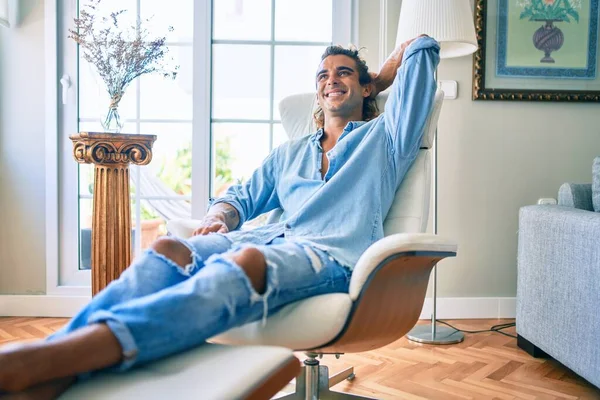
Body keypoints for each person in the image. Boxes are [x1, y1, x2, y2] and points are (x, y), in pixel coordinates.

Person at [0, 35, 439, 399]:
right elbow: (241, 196)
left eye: (344, 73)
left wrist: (382, 74)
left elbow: (425, 49)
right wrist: (222, 216)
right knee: (169, 248)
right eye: (323, 75)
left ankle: (54, 360)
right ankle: (58, 365)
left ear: (367, 89)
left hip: (329, 253)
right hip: (270, 237)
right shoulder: (290, 152)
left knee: (246, 262)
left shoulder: (385, 140)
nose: (330, 81)